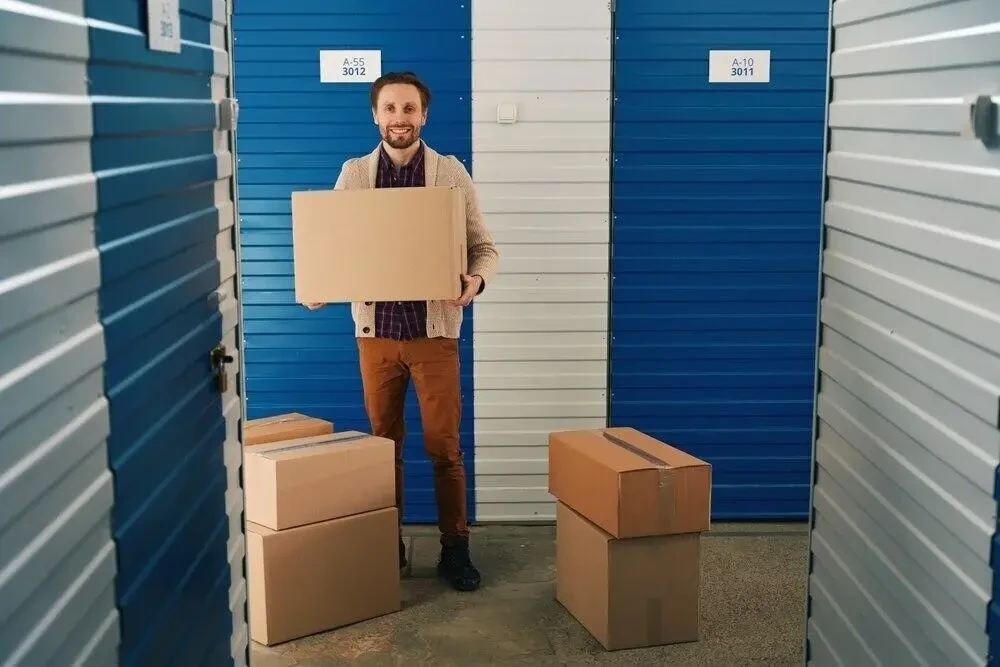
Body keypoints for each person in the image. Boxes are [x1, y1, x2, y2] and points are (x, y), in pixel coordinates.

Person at [303, 71, 498, 592]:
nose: (400, 119)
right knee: (383, 444)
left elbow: (485, 247)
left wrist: (475, 280)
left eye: (409, 109)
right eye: (390, 109)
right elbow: (336, 245)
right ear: (376, 115)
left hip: (434, 336)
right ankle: (386, 542)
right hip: (377, 336)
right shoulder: (354, 174)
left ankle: (455, 549)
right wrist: (320, 282)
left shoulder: (450, 174)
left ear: (424, 115)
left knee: (444, 448)